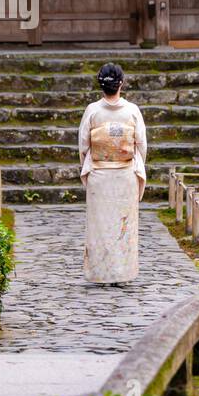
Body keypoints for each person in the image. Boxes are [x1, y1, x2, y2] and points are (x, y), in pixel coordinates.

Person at [78, 63, 147, 284]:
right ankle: (122, 273)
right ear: (122, 84)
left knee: (99, 226)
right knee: (123, 224)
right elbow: (141, 145)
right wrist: (134, 164)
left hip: (100, 174)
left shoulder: (92, 110)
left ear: (100, 84)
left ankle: (101, 272)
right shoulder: (132, 110)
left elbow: (83, 145)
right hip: (125, 173)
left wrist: (91, 168)